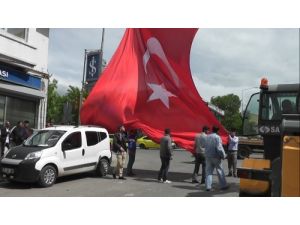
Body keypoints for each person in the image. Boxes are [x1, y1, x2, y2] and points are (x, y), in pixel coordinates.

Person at [205, 126, 228, 191]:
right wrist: (223, 155)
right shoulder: (217, 137)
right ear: (217, 131)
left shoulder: (207, 136)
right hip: (216, 157)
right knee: (220, 170)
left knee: (208, 172)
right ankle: (223, 185)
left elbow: (205, 146)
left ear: (212, 130)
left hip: (208, 156)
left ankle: (208, 187)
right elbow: (219, 148)